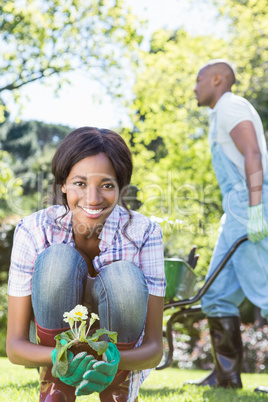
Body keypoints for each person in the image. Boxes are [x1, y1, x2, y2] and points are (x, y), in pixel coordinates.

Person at [6, 127, 166, 402]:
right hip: (55, 355)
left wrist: (116, 362)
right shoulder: (33, 230)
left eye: (106, 185)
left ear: (120, 187)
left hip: (118, 360)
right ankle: (57, 388)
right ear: (63, 184)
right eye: (80, 183)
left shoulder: (144, 232)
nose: (92, 199)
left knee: (125, 276)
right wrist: (57, 356)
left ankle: (117, 389)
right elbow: (15, 346)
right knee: (57, 259)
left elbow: (154, 348)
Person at [189, 59, 268, 392]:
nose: (195, 86)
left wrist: (254, 209)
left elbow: (252, 154)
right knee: (217, 294)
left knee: (265, 289)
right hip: (235, 211)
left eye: (199, 79)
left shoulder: (231, 106)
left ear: (218, 79)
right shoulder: (219, 113)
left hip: (250, 206)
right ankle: (227, 376)